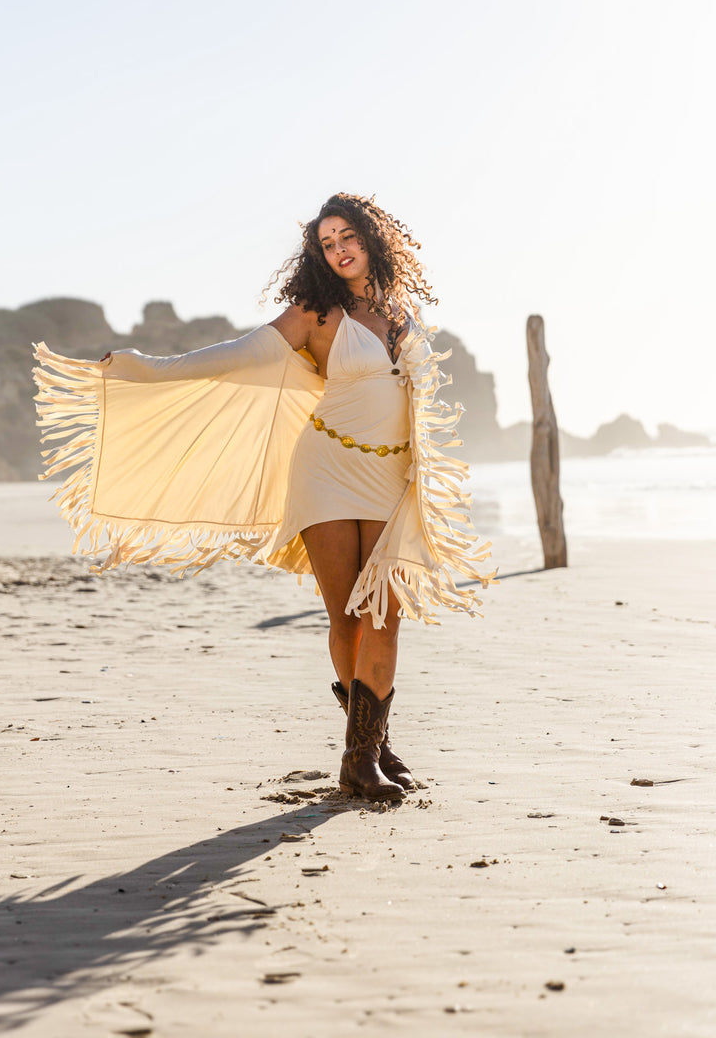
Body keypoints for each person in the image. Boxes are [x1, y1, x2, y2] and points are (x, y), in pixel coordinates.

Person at [33, 192, 495, 804]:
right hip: (325, 470)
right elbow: (240, 354)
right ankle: (360, 762)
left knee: (386, 615)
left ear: (372, 237)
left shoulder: (401, 311)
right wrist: (152, 367)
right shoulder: (316, 313)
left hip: (392, 479)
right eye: (326, 243)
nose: (339, 250)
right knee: (348, 618)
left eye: (347, 237)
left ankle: (371, 749)